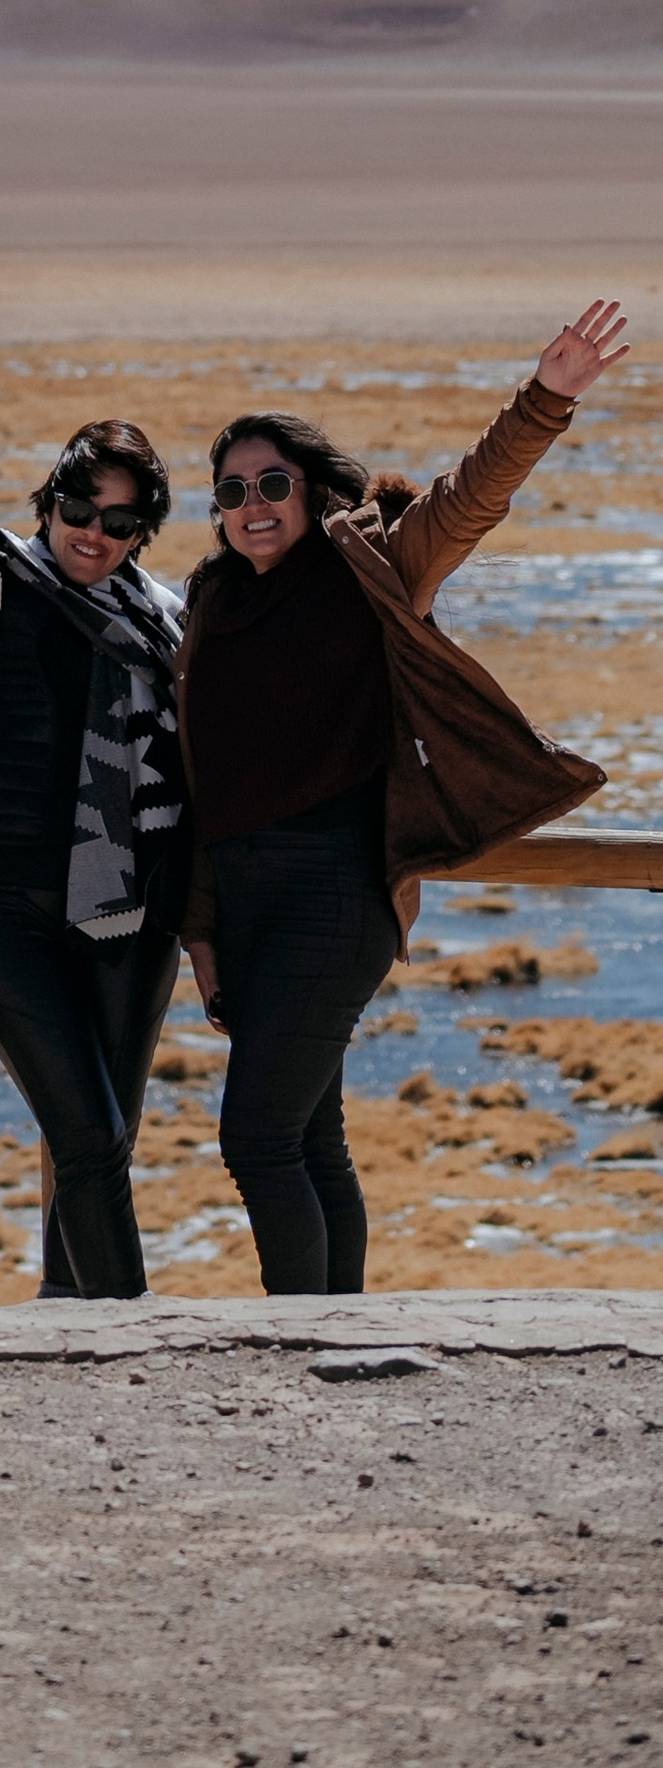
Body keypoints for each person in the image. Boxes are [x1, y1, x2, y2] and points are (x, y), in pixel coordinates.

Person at [178, 303, 626, 1297]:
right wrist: (203, 938)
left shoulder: (370, 568)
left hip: (332, 897)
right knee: (310, 1136)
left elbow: (467, 501)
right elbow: (207, 789)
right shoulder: (213, 608)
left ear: (315, 490)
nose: (251, 504)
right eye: (230, 491)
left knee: (255, 1138)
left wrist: (545, 397)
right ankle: (339, 1338)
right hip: (249, 906)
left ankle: (301, 1348)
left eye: (270, 484)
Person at [0, 357, 189, 1298]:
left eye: (118, 520)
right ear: (48, 497)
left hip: (131, 922)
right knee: (89, 1136)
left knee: (106, 1141)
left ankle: (69, 1322)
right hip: (10, 909)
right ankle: (130, 1331)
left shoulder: (169, 627)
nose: (91, 533)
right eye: (76, 506)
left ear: (142, 532)